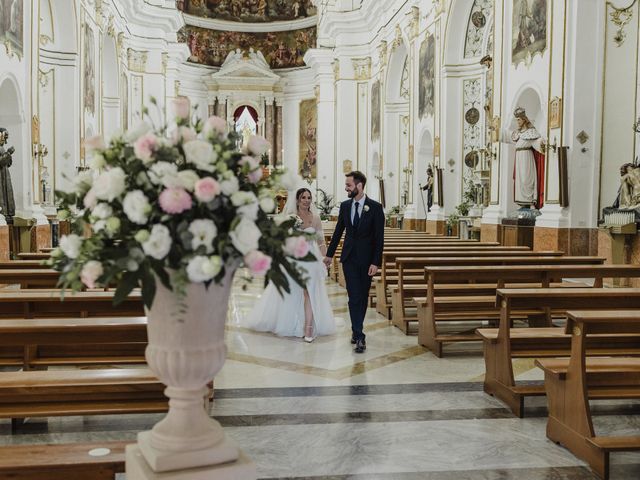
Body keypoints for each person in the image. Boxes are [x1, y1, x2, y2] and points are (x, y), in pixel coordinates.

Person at [244, 188, 336, 342]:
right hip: (294, 257)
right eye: (303, 197)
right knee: (293, 291)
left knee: (309, 291)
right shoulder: (290, 217)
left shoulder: (316, 218)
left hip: (311, 259)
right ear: (297, 200)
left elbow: (320, 241)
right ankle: (290, 322)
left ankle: (308, 328)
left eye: (308, 197)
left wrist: (325, 258)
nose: (306, 200)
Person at [324, 171, 385, 353]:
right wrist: (329, 255)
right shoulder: (344, 206)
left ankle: (355, 328)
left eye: (349, 185)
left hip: (367, 260)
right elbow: (337, 233)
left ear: (359, 186)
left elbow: (379, 238)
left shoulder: (375, 207)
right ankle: (359, 335)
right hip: (349, 257)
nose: (346, 188)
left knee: (363, 296)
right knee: (353, 296)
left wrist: (376, 262)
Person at [508, 107, 545, 209]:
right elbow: (508, 137)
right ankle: (522, 204)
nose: (517, 122)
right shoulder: (518, 134)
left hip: (526, 158)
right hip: (519, 158)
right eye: (516, 120)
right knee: (519, 182)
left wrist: (542, 143)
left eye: (519, 120)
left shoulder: (531, 132)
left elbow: (536, 144)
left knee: (526, 180)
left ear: (524, 119)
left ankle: (530, 203)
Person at [0, 128, 16, 219]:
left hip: (5, 174)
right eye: (4, 138)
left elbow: (8, 163)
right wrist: (8, 153)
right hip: (1, 175)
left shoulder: (2, 148)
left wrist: (9, 155)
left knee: (7, 193)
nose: (5, 141)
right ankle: (3, 212)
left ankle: (7, 212)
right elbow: (1, 162)